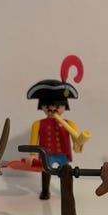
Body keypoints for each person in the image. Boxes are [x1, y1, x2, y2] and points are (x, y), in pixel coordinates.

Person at [26, 55, 89, 199]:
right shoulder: (38, 124)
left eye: (58, 106)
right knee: (45, 171)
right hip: (46, 154)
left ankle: (67, 191)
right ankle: (45, 190)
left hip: (62, 153)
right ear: (42, 107)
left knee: (66, 172)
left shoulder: (69, 124)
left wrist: (78, 144)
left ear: (64, 106)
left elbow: (76, 139)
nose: (52, 109)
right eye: (47, 106)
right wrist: (31, 154)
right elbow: (33, 140)